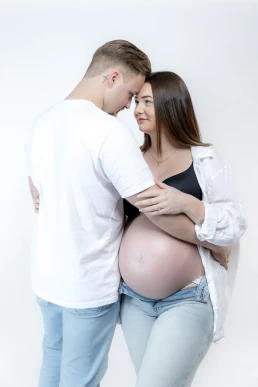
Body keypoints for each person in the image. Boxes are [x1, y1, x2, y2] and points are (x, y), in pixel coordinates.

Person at [27, 41, 232, 387]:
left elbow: (38, 193)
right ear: (113, 76)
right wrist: (210, 241)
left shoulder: (44, 121)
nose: (127, 107)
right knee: (80, 379)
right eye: (132, 94)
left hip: (47, 280)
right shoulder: (106, 130)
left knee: (53, 364)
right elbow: (153, 206)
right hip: (86, 284)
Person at [119, 71, 247, 387]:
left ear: (171, 105)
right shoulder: (129, 162)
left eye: (147, 101)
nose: (138, 109)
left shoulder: (203, 159)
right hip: (134, 301)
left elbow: (234, 223)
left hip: (188, 297)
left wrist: (188, 204)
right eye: (137, 101)